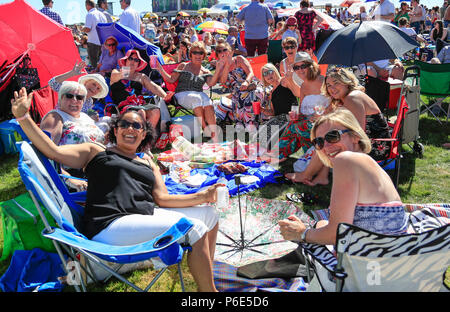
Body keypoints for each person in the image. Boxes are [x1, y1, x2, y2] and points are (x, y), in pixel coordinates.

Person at [11, 89, 222, 292]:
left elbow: (163, 199)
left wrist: (202, 196)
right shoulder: (96, 151)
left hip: (141, 218)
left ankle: (204, 270)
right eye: (125, 124)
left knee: (209, 215)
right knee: (194, 228)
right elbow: (52, 150)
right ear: (115, 129)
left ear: (144, 135)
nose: (130, 128)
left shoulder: (149, 162)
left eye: (137, 126)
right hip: (110, 225)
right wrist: (24, 118)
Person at [279, 108, 405, 246]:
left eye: (333, 136)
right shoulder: (370, 166)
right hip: (390, 254)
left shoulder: (345, 160)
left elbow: (338, 234)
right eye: (319, 142)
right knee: (320, 223)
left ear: (355, 135)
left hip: (368, 259)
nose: (326, 146)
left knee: (290, 240)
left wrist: (302, 233)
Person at [39, 81, 105, 191]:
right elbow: (46, 152)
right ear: (60, 99)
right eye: (69, 96)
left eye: (79, 97)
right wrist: (68, 179)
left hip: (99, 167)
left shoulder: (85, 117)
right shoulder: (55, 117)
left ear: (83, 101)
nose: (74, 100)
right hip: (75, 175)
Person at [155, 42, 222, 141]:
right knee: (197, 98)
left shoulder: (205, 71)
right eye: (195, 52)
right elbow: (171, 80)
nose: (198, 55)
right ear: (191, 54)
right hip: (181, 95)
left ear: (204, 55)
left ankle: (213, 133)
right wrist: (160, 68)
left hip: (198, 95)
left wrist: (218, 69)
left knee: (208, 102)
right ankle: (205, 129)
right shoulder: (183, 66)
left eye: (200, 53)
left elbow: (211, 83)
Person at [271, 52, 329, 162]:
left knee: (298, 126)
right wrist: (296, 115)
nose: (300, 70)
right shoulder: (303, 86)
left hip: (324, 122)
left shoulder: (324, 81)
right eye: (296, 67)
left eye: (303, 66)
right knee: (294, 123)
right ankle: (279, 154)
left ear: (311, 66)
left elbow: (334, 106)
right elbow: (302, 109)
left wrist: (319, 115)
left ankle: (313, 157)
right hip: (308, 121)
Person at [110, 49, 171, 134]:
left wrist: (166, 96)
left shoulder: (141, 76)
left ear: (138, 63)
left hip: (139, 104)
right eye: (130, 58)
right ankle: (140, 139)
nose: (133, 61)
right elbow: (114, 77)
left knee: (155, 111)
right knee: (141, 112)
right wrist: (125, 72)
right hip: (122, 106)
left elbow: (154, 87)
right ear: (125, 60)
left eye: (136, 60)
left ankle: (146, 140)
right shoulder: (116, 72)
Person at [214, 42, 265, 132]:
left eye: (224, 50)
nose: (222, 52)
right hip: (237, 91)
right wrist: (227, 64)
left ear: (230, 51)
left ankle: (251, 123)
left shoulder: (239, 59)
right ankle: (248, 124)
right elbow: (223, 81)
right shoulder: (220, 66)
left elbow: (251, 72)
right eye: (219, 51)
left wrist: (246, 82)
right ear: (217, 55)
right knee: (241, 96)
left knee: (255, 94)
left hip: (250, 84)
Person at [82, 0, 107, 70]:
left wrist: (82, 29)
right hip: (102, 42)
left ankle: (96, 79)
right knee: (102, 64)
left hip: (93, 42)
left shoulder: (90, 14)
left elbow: (88, 29)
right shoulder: (102, 14)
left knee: (94, 65)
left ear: (87, 5)